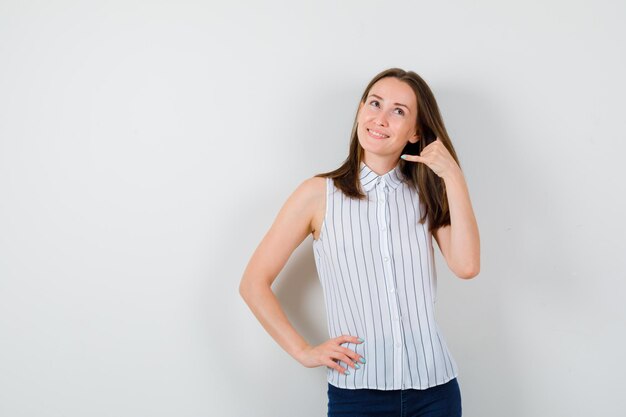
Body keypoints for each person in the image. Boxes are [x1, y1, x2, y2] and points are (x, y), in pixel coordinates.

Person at [239, 67, 480, 417]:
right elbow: (252, 283)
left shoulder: (427, 194)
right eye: (375, 103)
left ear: (416, 132)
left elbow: (467, 266)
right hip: (357, 396)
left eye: (398, 111)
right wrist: (304, 351)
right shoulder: (317, 195)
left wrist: (453, 176)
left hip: (435, 392)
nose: (380, 118)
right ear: (360, 111)